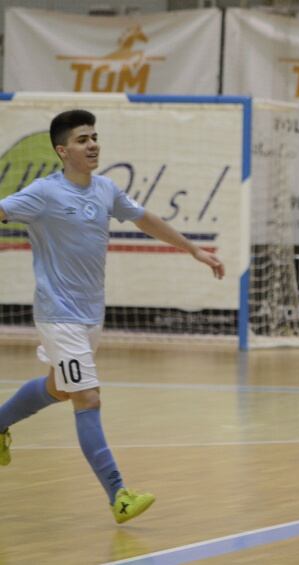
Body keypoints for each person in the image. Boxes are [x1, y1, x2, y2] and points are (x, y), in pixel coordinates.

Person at [0, 109, 225, 524]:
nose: (93, 144)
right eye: (83, 139)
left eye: (95, 137)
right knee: (87, 398)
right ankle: (118, 494)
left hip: (90, 315)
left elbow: (146, 220)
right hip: (58, 314)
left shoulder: (105, 190)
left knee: (59, 388)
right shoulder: (43, 193)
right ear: (62, 150)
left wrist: (192, 249)